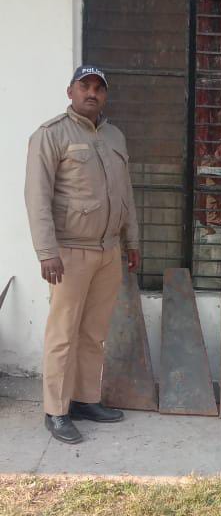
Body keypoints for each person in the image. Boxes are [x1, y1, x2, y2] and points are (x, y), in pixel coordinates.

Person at [25, 65, 140, 444]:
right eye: (84, 86)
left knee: (93, 333)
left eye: (98, 88)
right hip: (69, 253)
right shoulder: (50, 135)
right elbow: (37, 197)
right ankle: (56, 412)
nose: (92, 93)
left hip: (108, 251)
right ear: (70, 91)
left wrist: (132, 241)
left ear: (105, 95)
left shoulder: (115, 136)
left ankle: (85, 399)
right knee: (63, 334)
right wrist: (47, 251)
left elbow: (125, 194)